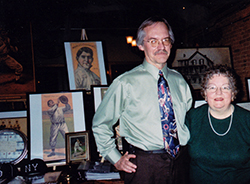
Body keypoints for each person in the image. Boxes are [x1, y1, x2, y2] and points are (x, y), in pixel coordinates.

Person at [92, 16, 193, 184]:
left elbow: (189, 120)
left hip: (182, 164)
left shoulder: (179, 81)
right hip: (145, 167)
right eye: (153, 41)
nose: (161, 47)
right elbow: (100, 124)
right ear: (140, 45)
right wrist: (115, 158)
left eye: (165, 40)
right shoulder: (125, 83)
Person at [185, 65, 250, 184]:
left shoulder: (247, 120)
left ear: (233, 92)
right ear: (204, 92)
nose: (218, 92)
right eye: (212, 88)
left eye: (225, 87)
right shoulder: (192, 118)